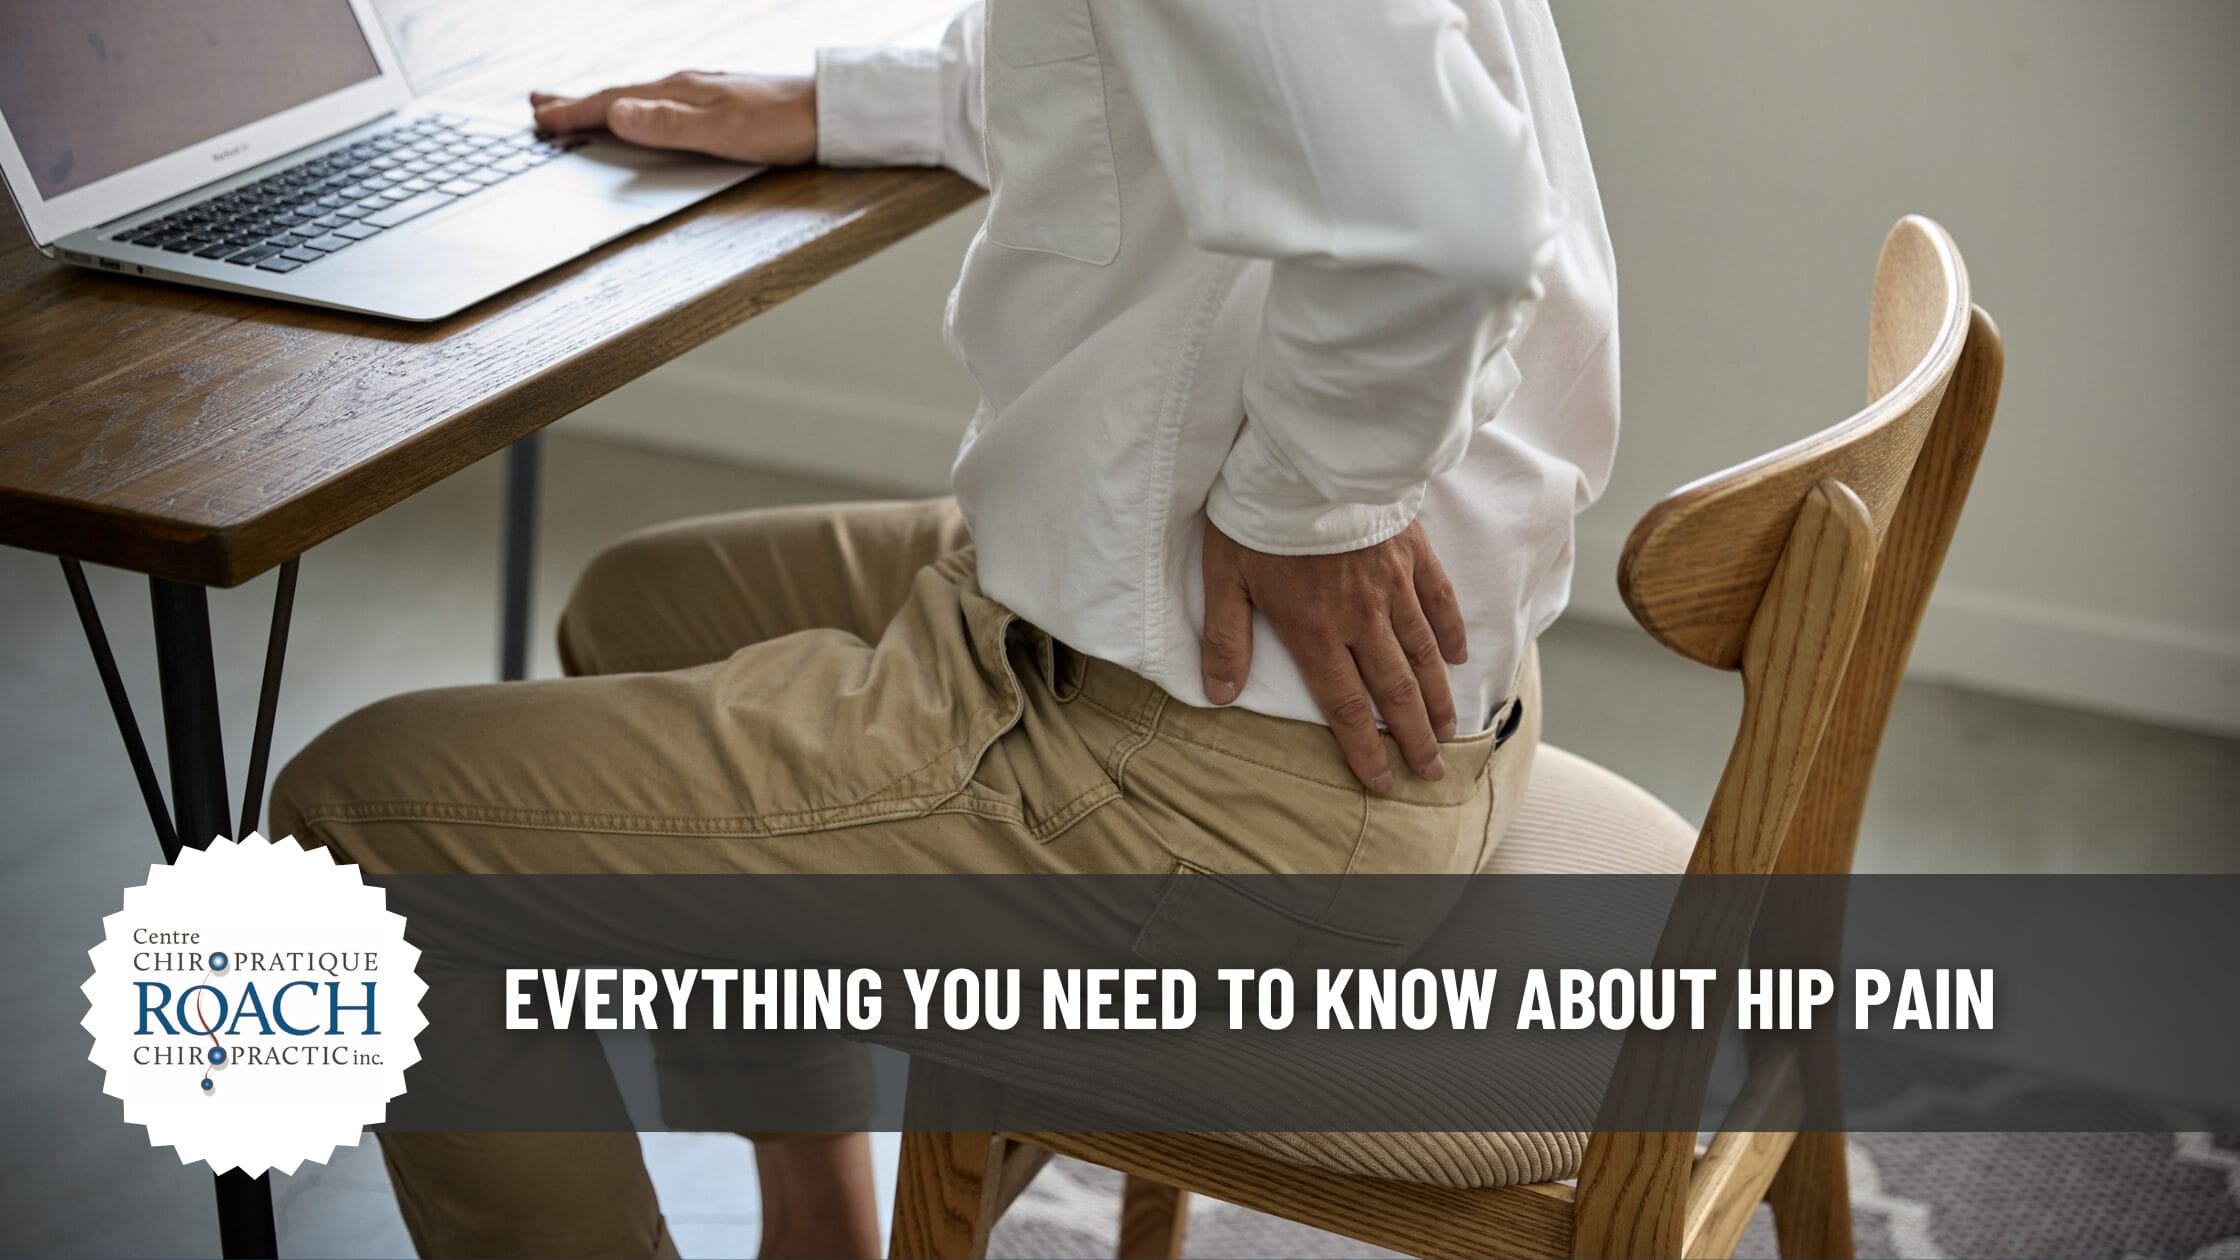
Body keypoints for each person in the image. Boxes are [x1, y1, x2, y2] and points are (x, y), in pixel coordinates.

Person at [270, 1, 1616, 1254]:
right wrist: (857, 101)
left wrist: (1309, 505)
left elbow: (1447, 226)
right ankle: (824, 1225)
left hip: (1217, 777)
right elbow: (1168, 73)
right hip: (1338, 695)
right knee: (646, 610)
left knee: (362, 829)